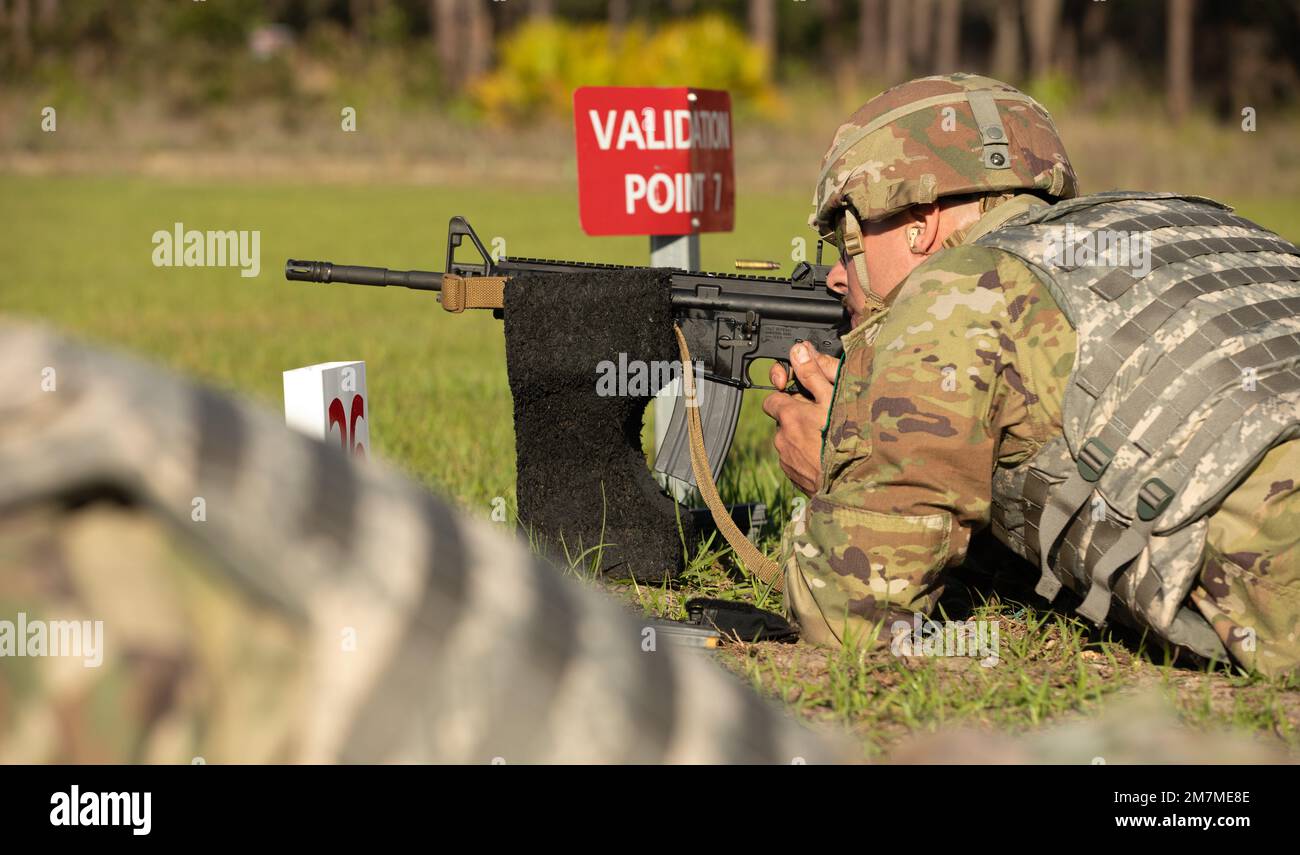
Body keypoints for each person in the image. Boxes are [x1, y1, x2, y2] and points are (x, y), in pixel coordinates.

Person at [764, 73, 1300, 676]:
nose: (838, 276)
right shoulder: (1197, 228)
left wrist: (835, 474)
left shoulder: (961, 288)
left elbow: (852, 618)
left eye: (845, 235)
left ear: (921, 220)